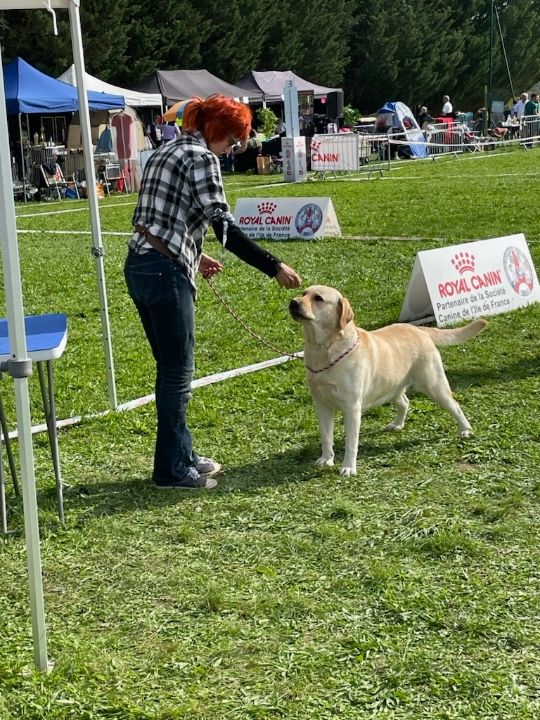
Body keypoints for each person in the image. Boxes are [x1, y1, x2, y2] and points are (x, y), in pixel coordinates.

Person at [125, 94, 302, 490]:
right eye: (233, 142)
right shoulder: (201, 157)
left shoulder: (164, 149)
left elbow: (162, 214)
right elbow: (225, 228)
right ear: (218, 133)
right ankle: (170, 471)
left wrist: (195, 254)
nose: (233, 150)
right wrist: (273, 266)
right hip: (163, 272)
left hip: (140, 263)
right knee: (177, 373)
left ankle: (182, 454)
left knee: (170, 369)